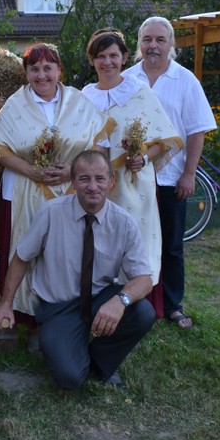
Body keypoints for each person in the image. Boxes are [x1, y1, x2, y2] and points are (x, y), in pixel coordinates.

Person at [0, 150, 155, 390]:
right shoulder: (51, 212)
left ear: (112, 182)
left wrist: (118, 302)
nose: (92, 187)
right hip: (59, 307)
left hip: (100, 298)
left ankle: (100, 363)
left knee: (143, 313)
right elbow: (21, 258)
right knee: (69, 378)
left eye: (100, 179)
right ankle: (67, 349)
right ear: (73, 182)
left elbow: (144, 279)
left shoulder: (124, 222)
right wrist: (6, 303)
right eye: (84, 179)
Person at [0, 43, 110, 343]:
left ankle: (63, 316)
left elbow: (99, 145)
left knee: (64, 254)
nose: (41, 75)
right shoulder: (14, 105)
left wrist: (73, 170)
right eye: (34, 69)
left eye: (48, 68)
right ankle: (28, 319)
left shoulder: (79, 102)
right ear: (26, 73)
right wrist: (31, 171)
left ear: (59, 71)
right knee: (26, 250)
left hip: (71, 189)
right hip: (23, 189)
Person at [123, 17, 217, 329]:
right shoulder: (127, 79)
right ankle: (135, 301)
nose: (153, 45)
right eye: (147, 39)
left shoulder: (185, 80)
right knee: (134, 242)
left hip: (170, 178)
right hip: (133, 179)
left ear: (171, 44)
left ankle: (173, 304)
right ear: (139, 43)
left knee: (172, 245)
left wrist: (189, 174)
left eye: (160, 40)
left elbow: (197, 130)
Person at [81, 28, 182, 314]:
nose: (107, 62)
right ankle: (99, 305)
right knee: (99, 241)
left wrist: (144, 159)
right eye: (100, 56)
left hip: (132, 185)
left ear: (124, 57)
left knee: (134, 241)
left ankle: (137, 307)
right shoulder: (84, 96)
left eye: (113, 55)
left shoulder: (139, 92)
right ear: (92, 61)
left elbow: (165, 139)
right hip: (95, 187)